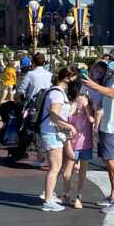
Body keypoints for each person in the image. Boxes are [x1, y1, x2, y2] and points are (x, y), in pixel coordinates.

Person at [83, 47, 114, 213]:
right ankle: (113, 195)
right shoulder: (112, 76)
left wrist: (93, 85)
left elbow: (112, 93)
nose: (109, 62)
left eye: (112, 59)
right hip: (106, 123)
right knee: (107, 161)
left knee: (113, 161)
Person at [38, 68, 76, 210]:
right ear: (66, 78)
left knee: (55, 167)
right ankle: (48, 201)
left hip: (52, 132)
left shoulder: (56, 92)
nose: (75, 81)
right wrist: (69, 126)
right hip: (51, 132)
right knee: (55, 168)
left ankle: (49, 196)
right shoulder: (57, 94)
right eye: (73, 77)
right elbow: (54, 114)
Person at [61, 75, 95, 208]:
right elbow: (66, 123)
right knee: (66, 171)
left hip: (85, 144)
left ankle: (78, 197)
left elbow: (92, 120)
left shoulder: (87, 104)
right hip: (72, 143)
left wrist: (86, 107)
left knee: (82, 171)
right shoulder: (71, 106)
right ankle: (66, 193)